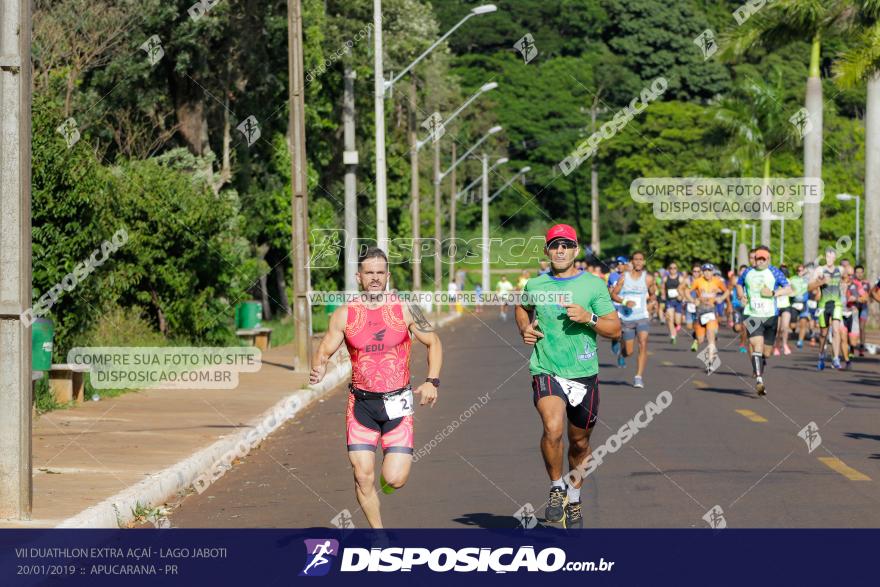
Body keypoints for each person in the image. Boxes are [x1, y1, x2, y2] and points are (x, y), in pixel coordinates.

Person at [309, 247, 442, 529]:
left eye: (380, 273)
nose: (375, 278)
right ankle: (378, 535)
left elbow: (434, 342)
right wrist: (319, 366)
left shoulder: (406, 309)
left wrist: (432, 381)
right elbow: (323, 350)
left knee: (395, 479)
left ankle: (389, 476)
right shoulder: (344, 315)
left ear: (388, 276)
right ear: (359, 277)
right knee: (362, 475)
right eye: (369, 273)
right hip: (361, 405)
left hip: (398, 403)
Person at [516, 224, 621, 528]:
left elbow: (614, 329)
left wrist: (589, 318)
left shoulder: (594, 286)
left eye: (566, 245)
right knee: (552, 428)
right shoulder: (535, 285)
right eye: (554, 245)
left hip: (584, 373)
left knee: (580, 444)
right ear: (547, 251)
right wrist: (525, 327)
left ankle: (573, 498)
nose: (560, 250)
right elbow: (522, 309)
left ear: (576, 250)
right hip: (546, 368)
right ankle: (555, 487)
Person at [736, 245, 792, 395]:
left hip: (770, 316)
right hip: (752, 314)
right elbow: (739, 284)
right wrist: (741, 296)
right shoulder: (748, 271)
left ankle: (762, 361)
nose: (759, 261)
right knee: (756, 344)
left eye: (762, 259)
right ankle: (759, 380)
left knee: (767, 352)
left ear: (768, 259)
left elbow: (789, 288)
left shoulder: (774, 272)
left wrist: (773, 292)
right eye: (757, 259)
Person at [611, 251, 655, 388]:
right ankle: (622, 353)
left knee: (643, 342)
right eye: (636, 259)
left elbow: (653, 295)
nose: (638, 262)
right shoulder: (624, 278)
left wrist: (651, 304)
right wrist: (624, 302)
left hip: (642, 316)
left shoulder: (648, 279)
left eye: (641, 259)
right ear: (631, 261)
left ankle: (638, 376)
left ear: (644, 262)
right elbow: (613, 294)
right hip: (627, 318)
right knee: (628, 352)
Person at [809, 247, 845, 370]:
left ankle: (836, 358)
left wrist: (844, 287)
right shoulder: (820, 270)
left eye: (832, 256)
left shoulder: (840, 269)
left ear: (835, 257)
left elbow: (846, 278)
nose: (829, 259)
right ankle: (821, 356)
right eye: (827, 256)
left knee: (836, 330)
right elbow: (809, 287)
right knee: (823, 333)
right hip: (823, 304)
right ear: (825, 257)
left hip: (836, 303)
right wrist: (821, 281)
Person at [688, 263, 727, 374]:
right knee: (700, 339)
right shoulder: (698, 281)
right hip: (700, 311)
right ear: (702, 272)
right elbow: (687, 291)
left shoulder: (717, 281)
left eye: (709, 271)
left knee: (711, 336)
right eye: (705, 271)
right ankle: (696, 336)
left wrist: (721, 298)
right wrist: (692, 299)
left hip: (711, 312)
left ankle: (710, 362)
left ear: (712, 271)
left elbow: (727, 290)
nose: (707, 273)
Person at [662, 262, 684, 344]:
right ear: (668, 269)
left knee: (677, 320)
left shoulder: (680, 278)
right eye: (671, 268)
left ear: (677, 269)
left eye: (674, 268)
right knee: (669, 318)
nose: (672, 270)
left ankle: (677, 325)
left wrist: (681, 296)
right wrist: (663, 295)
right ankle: (673, 336)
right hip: (669, 300)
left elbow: (684, 289)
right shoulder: (665, 279)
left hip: (678, 301)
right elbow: (663, 288)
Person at [730, 265, 749, 353]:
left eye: (746, 271)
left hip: (747, 307)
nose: (744, 272)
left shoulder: (750, 281)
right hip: (737, 306)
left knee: (744, 327)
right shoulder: (736, 280)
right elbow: (730, 287)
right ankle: (736, 326)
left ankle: (742, 344)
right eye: (742, 271)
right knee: (738, 328)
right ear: (739, 272)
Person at [684, 264, 702, 352]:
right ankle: (695, 334)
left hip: (699, 306)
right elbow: (680, 289)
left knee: (697, 325)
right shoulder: (688, 280)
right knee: (689, 326)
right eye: (694, 271)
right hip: (690, 305)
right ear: (692, 272)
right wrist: (684, 296)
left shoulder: (703, 281)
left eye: (698, 271)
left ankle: (695, 341)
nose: (696, 273)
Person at [853, 265, 870, 356]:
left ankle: (861, 347)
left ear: (863, 273)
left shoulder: (866, 283)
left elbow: (870, 294)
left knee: (862, 328)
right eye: (857, 272)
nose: (859, 274)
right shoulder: (852, 283)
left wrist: (868, 299)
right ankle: (851, 347)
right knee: (853, 328)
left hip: (864, 307)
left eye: (861, 272)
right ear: (854, 273)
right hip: (854, 307)